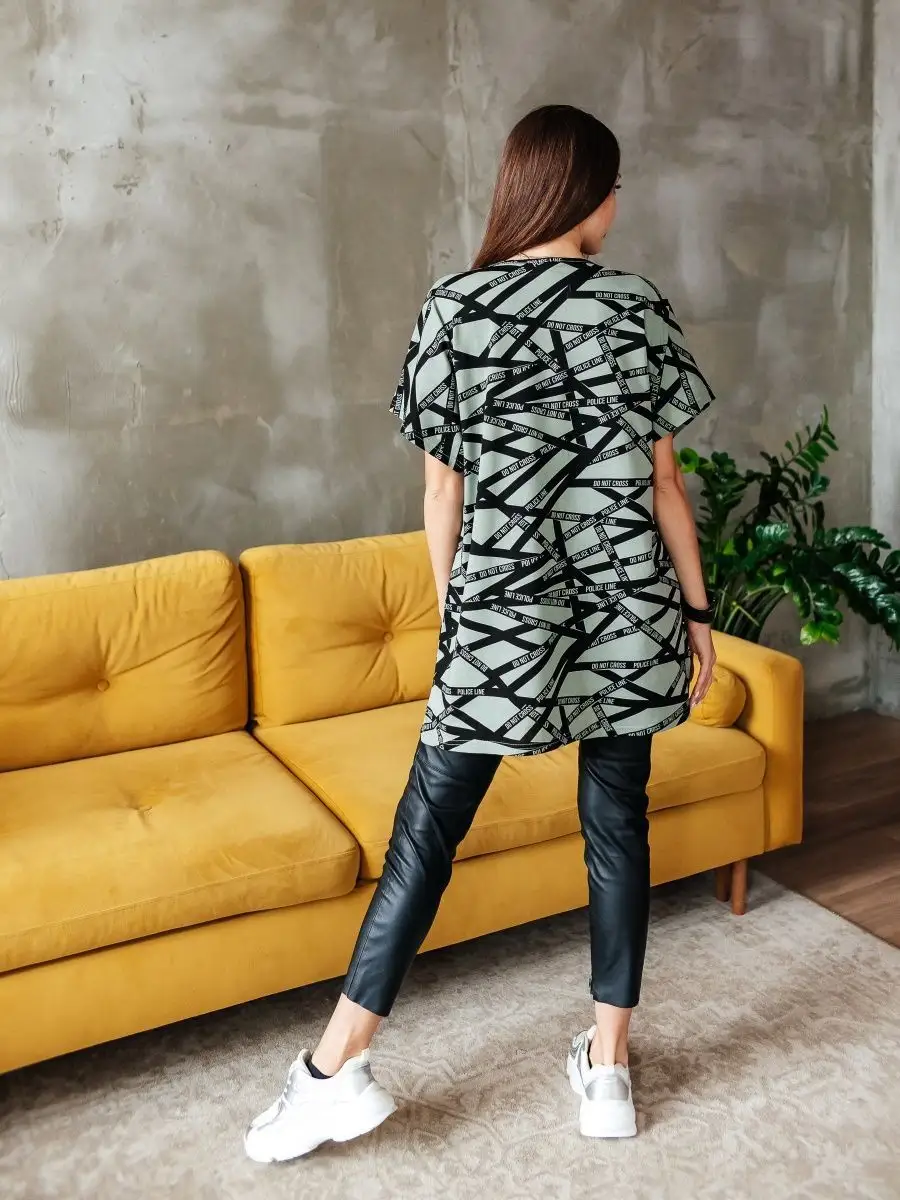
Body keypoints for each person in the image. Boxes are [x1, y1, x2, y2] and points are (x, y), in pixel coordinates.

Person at [245, 103, 716, 1161]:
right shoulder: (634, 307)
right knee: (618, 825)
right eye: (614, 187)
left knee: (426, 835)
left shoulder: (453, 309)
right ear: (588, 195)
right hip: (629, 610)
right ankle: (608, 1070)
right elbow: (666, 485)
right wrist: (695, 613)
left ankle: (334, 1067)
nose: (617, 205)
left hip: (501, 620)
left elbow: (439, 495)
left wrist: (463, 616)